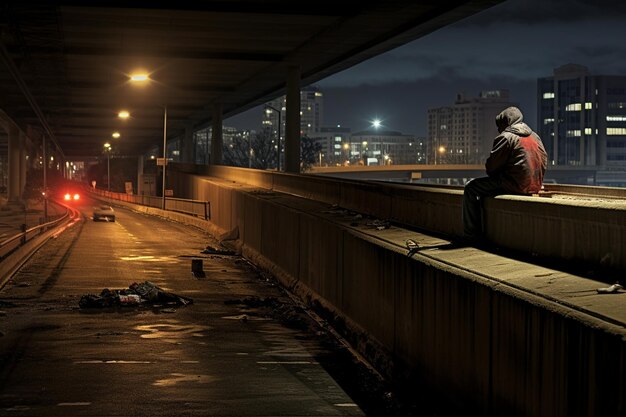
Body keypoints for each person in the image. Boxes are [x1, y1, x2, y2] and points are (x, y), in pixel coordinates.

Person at [462, 106, 547, 243]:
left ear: (505, 122)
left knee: (471, 188)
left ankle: (471, 235)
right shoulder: (535, 136)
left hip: (514, 185)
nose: (498, 129)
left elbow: (491, 168)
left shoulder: (506, 138)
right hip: (535, 185)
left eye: (499, 125)